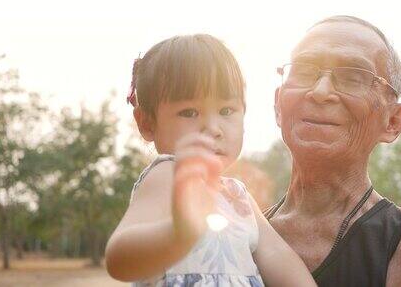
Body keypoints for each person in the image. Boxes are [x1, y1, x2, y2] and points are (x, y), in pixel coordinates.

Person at [264, 16, 401, 287]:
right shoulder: (235, 238)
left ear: (392, 122)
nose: (321, 91)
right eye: (304, 70)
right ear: (279, 105)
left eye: (352, 77)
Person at [105, 34, 316, 287]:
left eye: (227, 110)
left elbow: (278, 258)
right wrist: (178, 233)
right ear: (146, 123)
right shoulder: (167, 175)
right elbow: (119, 259)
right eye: (189, 112)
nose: (213, 128)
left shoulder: (238, 196)